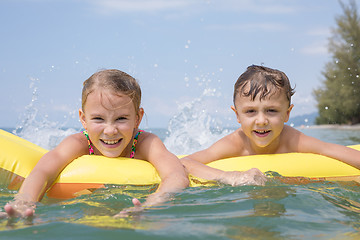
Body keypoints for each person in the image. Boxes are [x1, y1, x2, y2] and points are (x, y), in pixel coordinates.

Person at [2, 69, 189, 219]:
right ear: (83, 119)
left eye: (121, 118)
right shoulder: (79, 143)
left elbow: (176, 176)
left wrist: (152, 204)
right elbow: (42, 171)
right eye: (98, 119)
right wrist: (24, 202)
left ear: (138, 118)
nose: (110, 130)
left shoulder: (146, 142)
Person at [181, 65, 360, 185]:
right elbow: (185, 162)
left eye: (271, 111)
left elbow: (330, 149)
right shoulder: (235, 143)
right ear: (237, 115)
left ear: (287, 113)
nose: (261, 121)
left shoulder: (293, 139)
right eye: (250, 111)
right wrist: (230, 176)